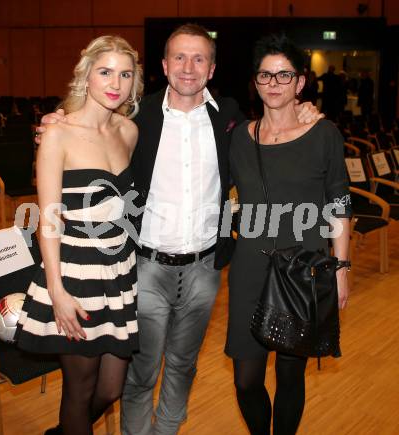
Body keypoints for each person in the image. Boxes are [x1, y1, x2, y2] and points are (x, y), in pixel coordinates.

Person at [37, 24, 322, 435]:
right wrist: (54, 122)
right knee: (140, 371)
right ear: (164, 65)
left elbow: (279, 131)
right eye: (179, 57)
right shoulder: (138, 118)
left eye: (199, 58)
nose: (188, 67)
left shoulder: (231, 117)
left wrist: (305, 109)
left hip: (205, 268)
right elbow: (91, 127)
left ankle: (167, 429)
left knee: (184, 366)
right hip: (144, 266)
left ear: (212, 68)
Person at [15, 35, 143, 435]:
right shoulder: (58, 133)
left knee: (110, 389)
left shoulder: (128, 131)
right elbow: (47, 219)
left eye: (125, 74)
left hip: (120, 273)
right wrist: (56, 290)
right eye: (105, 71)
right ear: (86, 76)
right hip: (73, 273)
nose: (115, 82)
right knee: (80, 388)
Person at [227, 34, 351, 435]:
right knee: (246, 379)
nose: (274, 83)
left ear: (300, 83)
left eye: (285, 75)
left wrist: (342, 268)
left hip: (303, 269)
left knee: (290, 374)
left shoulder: (324, 133)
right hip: (249, 266)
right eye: (266, 75)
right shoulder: (238, 138)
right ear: (255, 82)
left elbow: (339, 203)